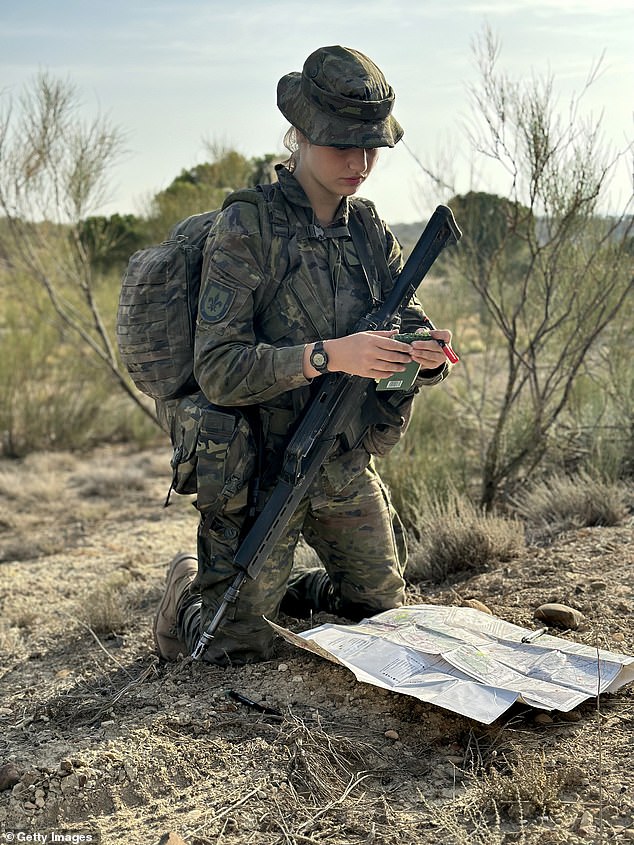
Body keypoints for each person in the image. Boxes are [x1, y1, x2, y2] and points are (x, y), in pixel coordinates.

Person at [153, 45, 454, 665]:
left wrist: (422, 357)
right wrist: (330, 355)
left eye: (371, 146)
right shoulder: (248, 226)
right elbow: (219, 368)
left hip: (340, 459)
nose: (359, 161)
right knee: (234, 650)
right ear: (301, 136)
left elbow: (407, 323)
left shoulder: (367, 228)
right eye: (343, 143)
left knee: (381, 621)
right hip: (261, 467)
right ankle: (185, 596)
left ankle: (295, 588)